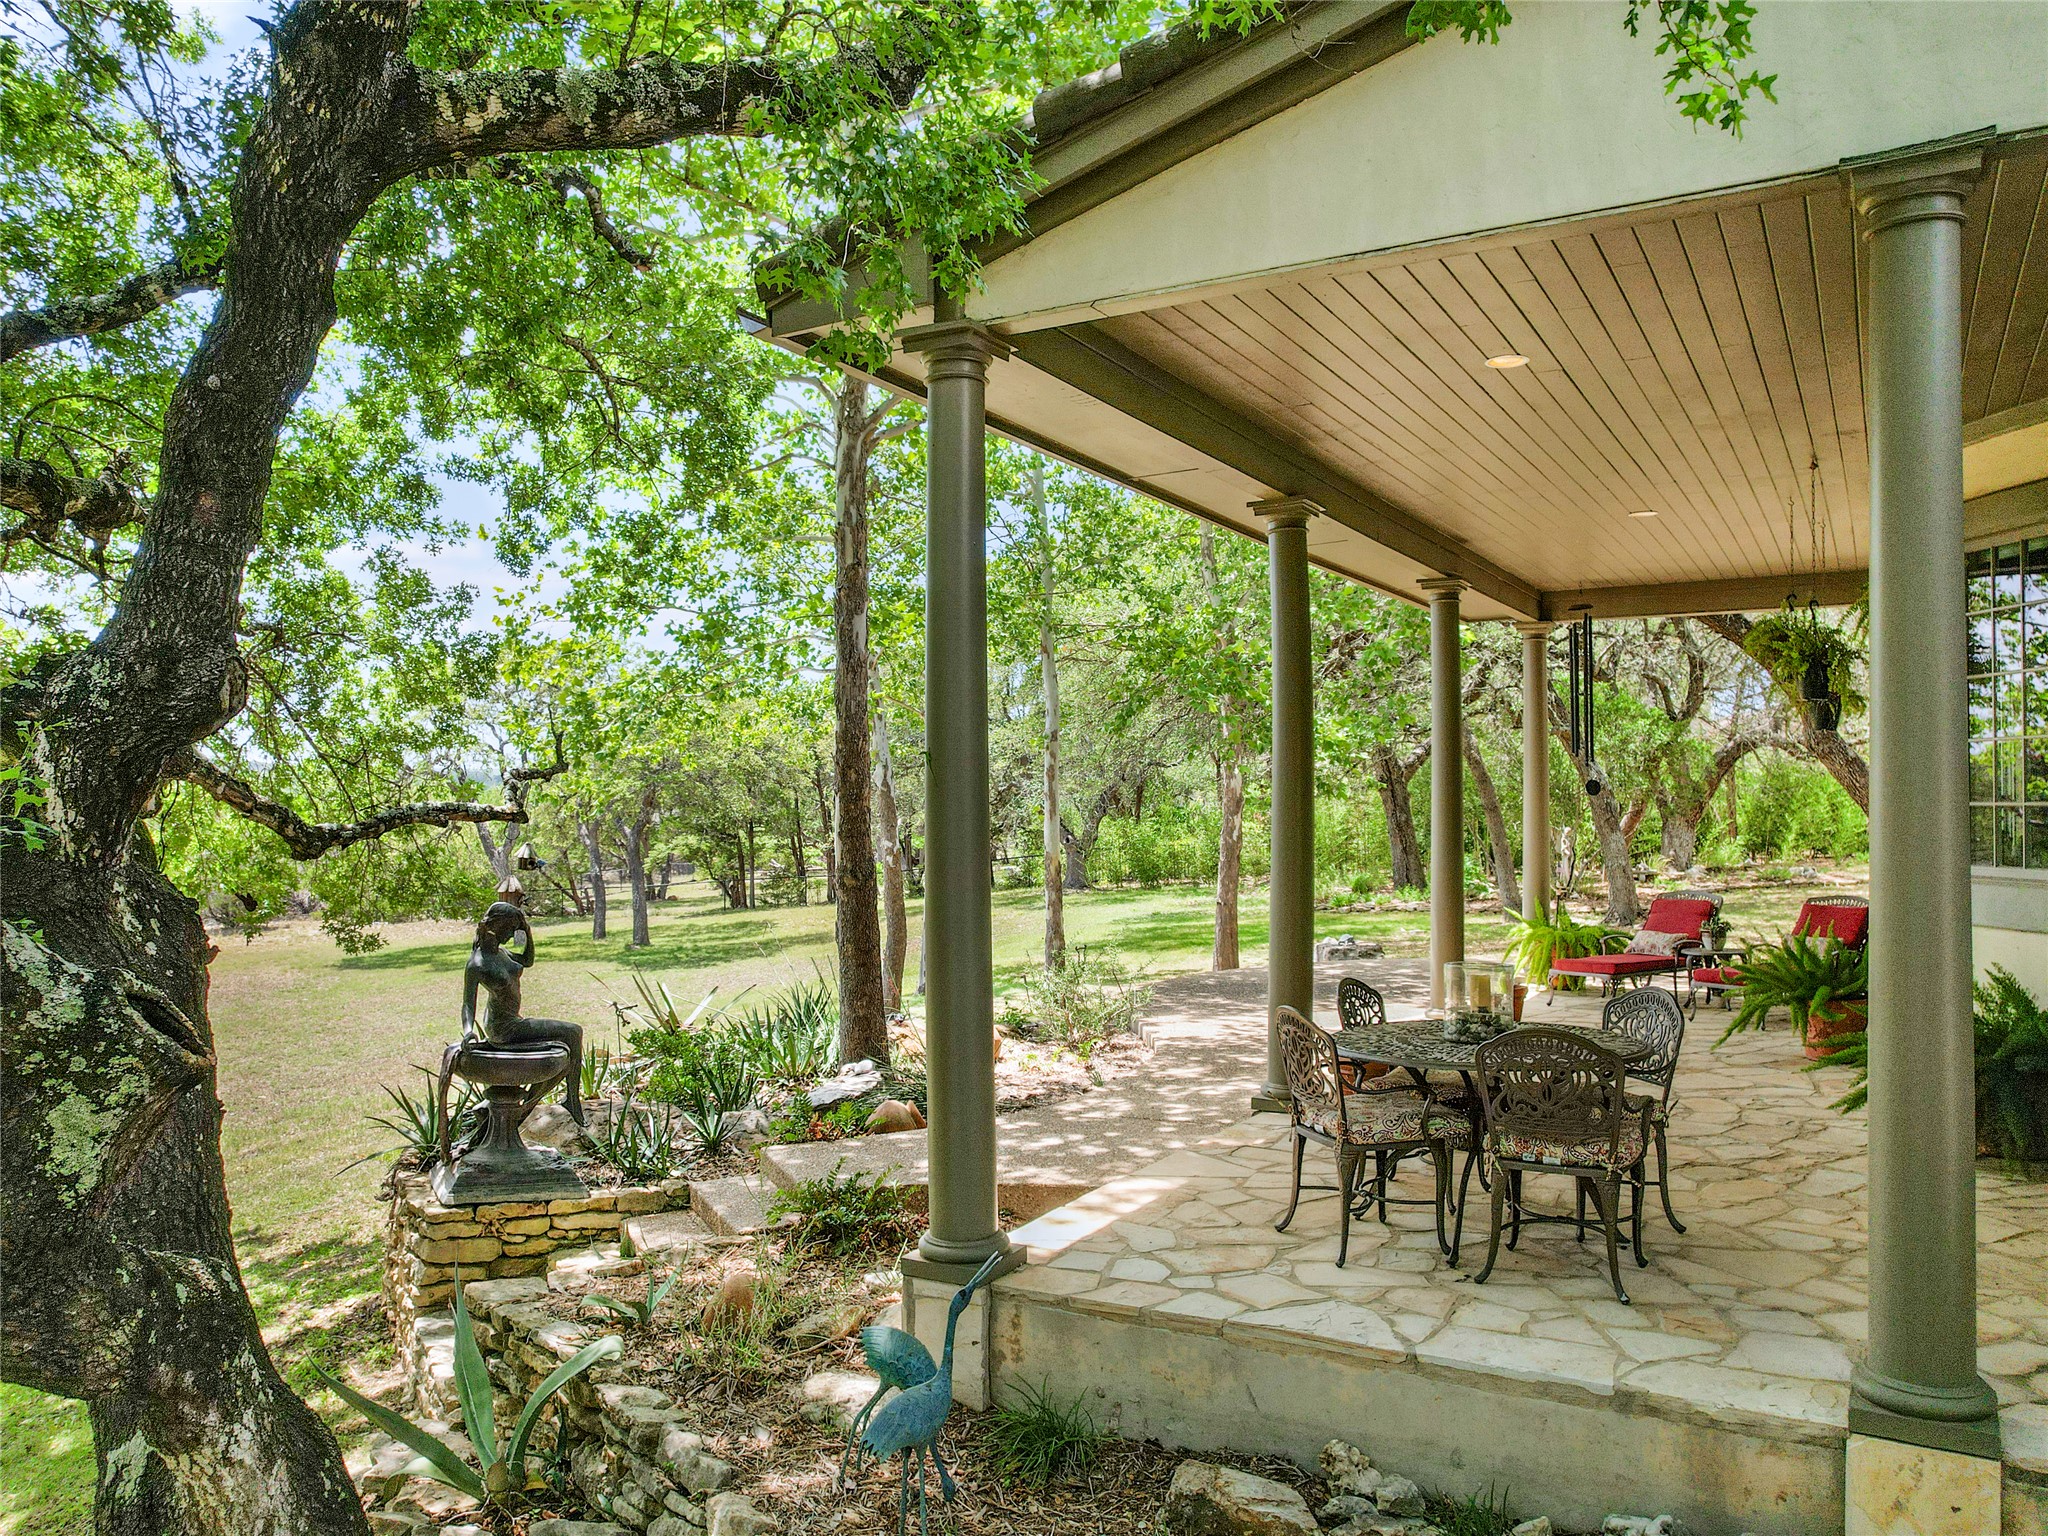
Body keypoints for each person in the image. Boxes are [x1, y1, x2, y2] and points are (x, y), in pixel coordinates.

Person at [461, 900, 586, 1125]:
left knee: (567, 1045)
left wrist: (527, 930)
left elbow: (527, 961)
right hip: (504, 1028)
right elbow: (468, 1004)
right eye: (510, 929)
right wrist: (468, 1031)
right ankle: (569, 1100)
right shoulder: (477, 964)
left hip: (515, 1022)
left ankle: (538, 1104)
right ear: (496, 925)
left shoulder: (502, 953)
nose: (512, 934)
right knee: (573, 1032)